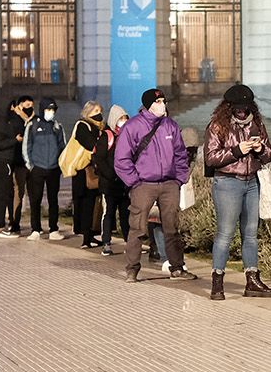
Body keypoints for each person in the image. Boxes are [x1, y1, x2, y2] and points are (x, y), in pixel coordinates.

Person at [203, 83, 271, 301]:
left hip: (252, 182)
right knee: (225, 234)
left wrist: (260, 149)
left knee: (251, 234)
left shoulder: (257, 124)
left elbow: (269, 153)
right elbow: (211, 158)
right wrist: (237, 151)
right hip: (227, 182)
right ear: (229, 107)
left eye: (246, 108)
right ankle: (217, 282)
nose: (242, 112)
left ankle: (252, 280)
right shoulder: (217, 126)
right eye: (238, 108)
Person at [114, 88, 196, 283]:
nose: (162, 105)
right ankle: (132, 269)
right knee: (138, 228)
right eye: (158, 102)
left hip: (169, 184)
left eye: (164, 101)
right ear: (148, 105)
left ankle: (177, 267)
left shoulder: (171, 126)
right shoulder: (132, 127)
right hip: (143, 184)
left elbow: (180, 155)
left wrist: (179, 179)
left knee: (172, 228)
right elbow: (121, 159)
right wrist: (134, 181)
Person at [23, 98, 65, 240]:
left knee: (53, 200)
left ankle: (54, 229)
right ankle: (36, 229)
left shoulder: (57, 126)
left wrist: (60, 165)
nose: (51, 112)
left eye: (53, 110)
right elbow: (26, 146)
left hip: (53, 168)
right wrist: (30, 166)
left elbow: (62, 147)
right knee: (36, 199)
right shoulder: (32, 125)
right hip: (38, 168)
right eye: (48, 109)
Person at [69, 101, 105, 248]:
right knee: (85, 203)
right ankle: (85, 237)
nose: (99, 113)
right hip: (84, 171)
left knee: (94, 204)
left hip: (95, 170)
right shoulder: (83, 125)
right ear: (88, 112)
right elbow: (91, 144)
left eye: (100, 110)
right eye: (95, 110)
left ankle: (91, 234)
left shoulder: (100, 127)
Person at [96, 105, 131, 256]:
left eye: (125, 118)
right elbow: (100, 159)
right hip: (109, 184)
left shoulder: (128, 135)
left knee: (125, 214)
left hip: (124, 184)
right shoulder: (106, 136)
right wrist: (111, 175)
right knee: (108, 213)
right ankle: (106, 243)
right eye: (120, 119)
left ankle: (129, 243)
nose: (123, 121)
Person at [0, 97, 23, 238]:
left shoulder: (1, 121)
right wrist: (14, 140)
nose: (13, 109)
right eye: (12, 106)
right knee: (3, 194)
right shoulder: (0, 124)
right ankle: (0, 227)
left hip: (1, 161)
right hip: (3, 162)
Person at [6, 96, 34, 234]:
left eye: (31, 105)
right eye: (27, 104)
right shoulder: (14, 120)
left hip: (32, 162)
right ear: (20, 105)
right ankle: (14, 221)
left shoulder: (34, 120)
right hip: (19, 162)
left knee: (33, 192)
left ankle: (35, 225)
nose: (30, 107)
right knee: (18, 192)